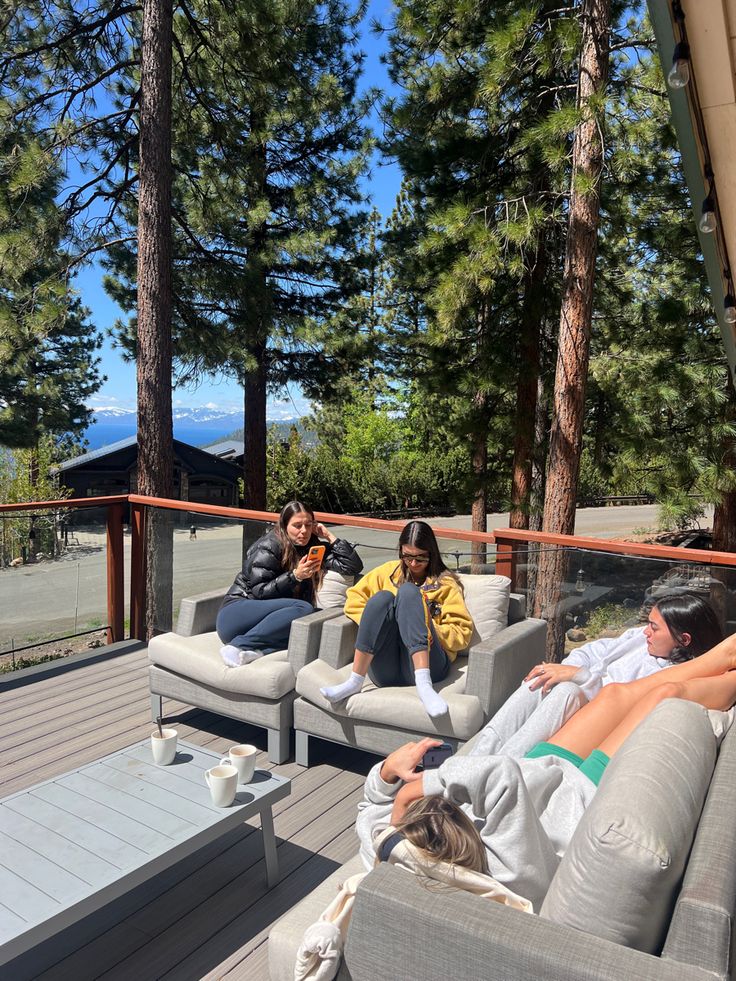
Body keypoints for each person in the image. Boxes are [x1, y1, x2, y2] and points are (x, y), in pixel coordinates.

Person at [356, 629, 736, 908]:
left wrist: (388, 775)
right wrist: (411, 792)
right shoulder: (508, 870)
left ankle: (717, 657)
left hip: (544, 768)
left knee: (614, 695)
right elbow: (500, 776)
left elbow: (367, 811)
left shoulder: (390, 846)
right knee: (664, 697)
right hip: (583, 788)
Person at [473, 591, 723, 759]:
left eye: (654, 628)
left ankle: (503, 763)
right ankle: (480, 754)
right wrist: (566, 669)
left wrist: (578, 677)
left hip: (596, 720)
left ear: (683, 639)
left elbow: (621, 703)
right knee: (542, 677)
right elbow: (594, 650)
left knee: (567, 689)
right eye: (648, 623)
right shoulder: (640, 640)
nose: (646, 631)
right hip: (583, 692)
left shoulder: (676, 675)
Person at [320, 520, 473, 718]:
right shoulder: (387, 572)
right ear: (400, 551)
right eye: (407, 556)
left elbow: (462, 633)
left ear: (431, 554)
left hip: (430, 665)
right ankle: (355, 681)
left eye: (421, 558)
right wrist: (380, 621)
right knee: (383, 598)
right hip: (386, 669)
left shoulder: (445, 583)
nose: (414, 563)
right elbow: (354, 599)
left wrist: (424, 623)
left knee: (409, 593)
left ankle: (424, 685)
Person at [217, 500, 363, 667]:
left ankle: (257, 652)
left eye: (308, 525)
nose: (304, 531)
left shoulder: (313, 548)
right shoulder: (269, 546)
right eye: (297, 525)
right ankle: (237, 645)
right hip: (236, 613)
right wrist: (295, 576)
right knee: (303, 609)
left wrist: (329, 536)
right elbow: (259, 591)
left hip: (266, 620)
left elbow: (352, 566)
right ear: (284, 525)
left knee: (314, 621)